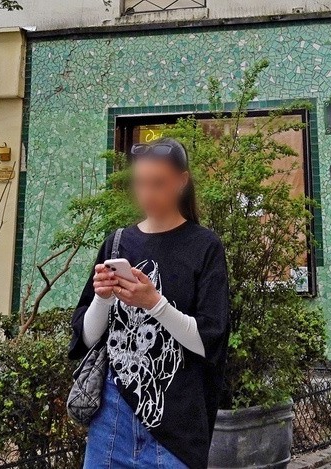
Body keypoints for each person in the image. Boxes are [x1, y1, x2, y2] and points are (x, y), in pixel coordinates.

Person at [73, 138, 230, 469]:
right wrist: (102, 299)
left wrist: (154, 304)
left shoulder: (205, 247)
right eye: (141, 183)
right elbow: (87, 339)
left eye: (158, 183)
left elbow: (209, 341)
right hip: (111, 418)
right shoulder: (116, 243)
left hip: (176, 424)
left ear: (182, 181)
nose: (148, 194)